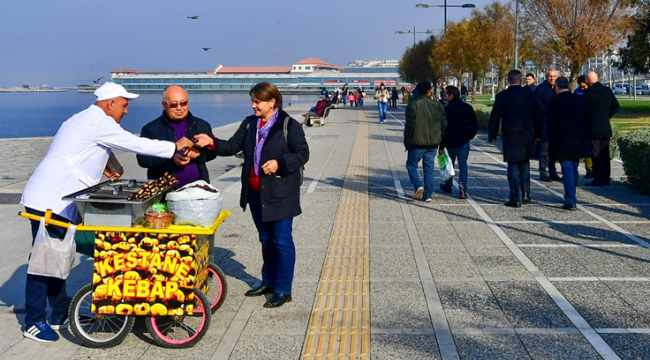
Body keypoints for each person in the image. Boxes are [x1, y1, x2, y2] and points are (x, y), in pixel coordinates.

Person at [20, 82, 194, 342]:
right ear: (110, 103)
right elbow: (134, 143)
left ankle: (59, 313)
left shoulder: (84, 119)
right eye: (124, 106)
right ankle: (33, 320)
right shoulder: (99, 122)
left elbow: (94, 148)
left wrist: (109, 165)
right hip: (50, 201)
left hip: (57, 199)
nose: (126, 112)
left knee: (58, 258)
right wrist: (174, 146)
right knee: (44, 263)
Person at [208, 82, 309, 308]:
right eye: (252, 101)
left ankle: (283, 289)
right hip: (256, 193)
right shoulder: (249, 123)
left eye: (257, 101)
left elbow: (302, 154)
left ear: (272, 101)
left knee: (281, 240)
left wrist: (279, 163)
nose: (253, 105)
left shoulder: (288, 125)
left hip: (281, 193)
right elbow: (231, 146)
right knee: (265, 239)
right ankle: (268, 281)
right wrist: (211, 142)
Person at [137, 85, 218, 188]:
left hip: (198, 190)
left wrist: (198, 155)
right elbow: (143, 160)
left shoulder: (202, 125)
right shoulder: (151, 129)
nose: (179, 108)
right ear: (164, 105)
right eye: (174, 104)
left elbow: (212, 154)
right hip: (164, 192)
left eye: (183, 103)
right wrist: (171, 159)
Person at [489, 70, 539, 208]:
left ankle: (514, 197)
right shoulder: (529, 95)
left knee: (512, 165)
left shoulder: (502, 96)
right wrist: (538, 134)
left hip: (510, 135)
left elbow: (495, 117)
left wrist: (492, 134)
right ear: (521, 80)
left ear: (507, 80)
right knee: (525, 164)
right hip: (527, 134)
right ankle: (526, 194)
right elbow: (537, 115)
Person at [547, 77, 592, 210]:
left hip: (562, 139)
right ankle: (572, 192)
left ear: (557, 87)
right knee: (574, 167)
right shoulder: (579, 99)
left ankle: (571, 198)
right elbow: (587, 119)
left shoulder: (554, 101)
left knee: (566, 168)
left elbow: (551, 124)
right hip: (578, 138)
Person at [404, 81, 447, 202]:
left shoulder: (413, 105)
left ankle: (418, 185)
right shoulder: (438, 105)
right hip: (433, 143)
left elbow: (409, 126)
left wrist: (407, 140)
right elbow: (444, 124)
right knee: (429, 169)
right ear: (429, 91)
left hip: (416, 143)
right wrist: (440, 138)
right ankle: (427, 194)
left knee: (411, 165)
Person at [439, 85, 479, 199]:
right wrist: (469, 137)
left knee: (449, 165)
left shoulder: (447, 110)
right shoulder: (467, 108)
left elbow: (443, 129)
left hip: (450, 142)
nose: (445, 96)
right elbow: (475, 125)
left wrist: (441, 145)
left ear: (451, 95)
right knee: (463, 166)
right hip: (464, 142)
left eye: (446, 94)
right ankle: (463, 190)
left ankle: (448, 185)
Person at [584, 71, 620, 187]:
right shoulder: (607, 90)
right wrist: (607, 116)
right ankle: (606, 178)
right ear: (598, 78)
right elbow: (616, 105)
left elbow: (584, 110)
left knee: (595, 153)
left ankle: (597, 178)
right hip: (605, 126)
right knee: (605, 153)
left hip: (593, 127)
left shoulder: (588, 93)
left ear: (587, 80)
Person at [536, 69, 560, 182]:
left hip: (556, 124)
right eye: (550, 76)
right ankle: (543, 172)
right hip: (545, 123)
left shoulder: (558, 88)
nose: (552, 78)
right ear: (546, 77)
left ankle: (553, 171)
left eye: (554, 76)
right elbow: (539, 106)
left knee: (554, 150)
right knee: (544, 150)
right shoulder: (540, 89)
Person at [574, 75, 593, 179]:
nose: (582, 88)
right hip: (579, 123)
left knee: (588, 149)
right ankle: (574, 169)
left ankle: (590, 170)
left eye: (584, 86)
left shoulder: (590, 92)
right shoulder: (577, 92)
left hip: (588, 123)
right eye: (581, 86)